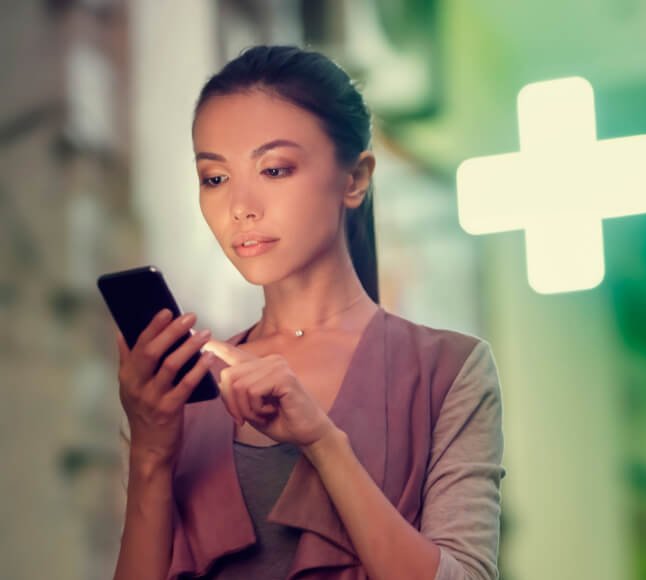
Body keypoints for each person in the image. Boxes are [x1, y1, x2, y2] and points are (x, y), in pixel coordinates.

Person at [112, 45, 505, 580]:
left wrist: (323, 442)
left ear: (355, 179)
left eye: (274, 169)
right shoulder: (190, 389)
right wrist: (151, 454)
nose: (240, 206)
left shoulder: (447, 370)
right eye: (215, 178)